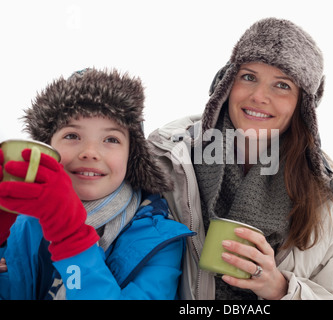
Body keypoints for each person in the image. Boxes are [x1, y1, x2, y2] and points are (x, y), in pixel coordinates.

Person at [147, 18, 333, 300]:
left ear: (303, 107)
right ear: (226, 83)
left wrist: (282, 289)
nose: (259, 96)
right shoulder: (166, 157)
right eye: (248, 77)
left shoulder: (332, 201)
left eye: (282, 85)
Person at [0, 68, 194, 300]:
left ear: (131, 156)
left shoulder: (160, 240)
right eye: (72, 136)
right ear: (47, 148)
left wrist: (71, 237)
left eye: (111, 139)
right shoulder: (22, 224)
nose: (90, 153)